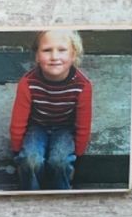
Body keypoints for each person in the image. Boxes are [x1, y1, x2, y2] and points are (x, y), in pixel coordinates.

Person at [10, 29, 92, 190]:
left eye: (62, 50)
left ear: (73, 55)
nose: (54, 57)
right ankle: (31, 192)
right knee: (30, 160)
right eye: (47, 50)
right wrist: (16, 152)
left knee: (60, 161)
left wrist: (79, 155)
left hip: (64, 128)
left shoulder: (83, 86)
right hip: (37, 126)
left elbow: (83, 125)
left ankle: (61, 193)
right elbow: (17, 123)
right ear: (37, 56)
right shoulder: (27, 83)